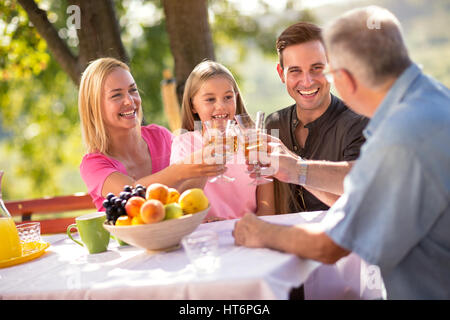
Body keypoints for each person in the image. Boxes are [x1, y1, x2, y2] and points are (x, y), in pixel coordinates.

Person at [233, 6, 450, 299]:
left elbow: (329, 245)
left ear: (344, 78)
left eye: (326, 71)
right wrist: (297, 169)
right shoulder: (433, 100)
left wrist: (260, 232)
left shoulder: (399, 136)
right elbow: (362, 185)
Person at [78, 57, 225, 211]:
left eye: (133, 90)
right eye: (116, 95)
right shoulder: (93, 165)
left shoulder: (160, 137)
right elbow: (134, 195)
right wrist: (181, 169)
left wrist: (203, 167)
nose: (130, 101)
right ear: (94, 107)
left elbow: (182, 198)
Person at [265, 22, 369, 213]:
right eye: (295, 70)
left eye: (316, 68)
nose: (307, 81)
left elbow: (360, 205)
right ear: (282, 74)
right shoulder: (273, 124)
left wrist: (297, 170)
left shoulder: (360, 125)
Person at [170, 60, 275, 221]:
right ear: (193, 106)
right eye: (210, 99)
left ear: (236, 98)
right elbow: (180, 202)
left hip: (251, 233)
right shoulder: (184, 144)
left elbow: (268, 207)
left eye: (227, 97)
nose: (221, 106)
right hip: (209, 235)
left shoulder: (252, 141)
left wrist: (253, 229)